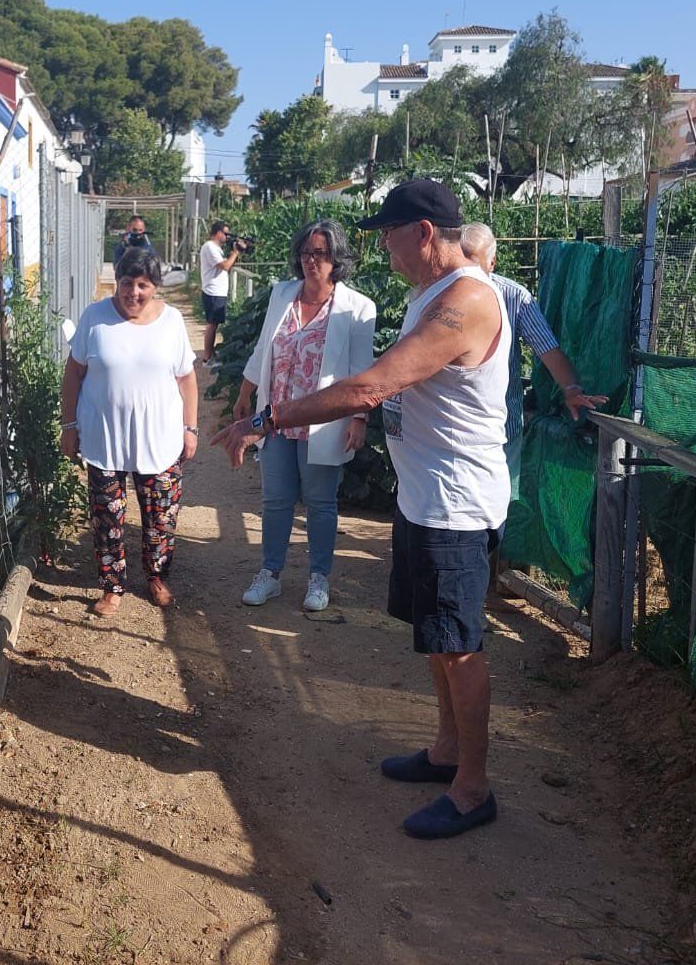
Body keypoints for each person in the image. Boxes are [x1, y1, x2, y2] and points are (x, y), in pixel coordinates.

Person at [212, 178, 508, 840]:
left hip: (456, 504)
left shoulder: (467, 302)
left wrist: (268, 418)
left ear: (423, 232)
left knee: (460, 646)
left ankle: (472, 789)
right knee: (437, 639)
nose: (383, 247)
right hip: (423, 496)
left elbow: (374, 384)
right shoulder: (431, 294)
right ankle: (445, 751)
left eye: (388, 234)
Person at [231, 219, 376, 612]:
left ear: (336, 259)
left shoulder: (357, 308)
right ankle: (270, 574)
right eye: (307, 252)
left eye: (322, 253)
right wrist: (245, 394)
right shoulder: (283, 294)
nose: (312, 260)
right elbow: (264, 348)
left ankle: (318, 578)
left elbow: (362, 369)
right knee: (275, 500)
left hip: (323, 422)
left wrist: (359, 420)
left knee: (320, 502)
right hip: (274, 419)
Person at [61, 247, 198, 617]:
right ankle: (112, 587)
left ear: (155, 286)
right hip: (104, 437)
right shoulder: (95, 318)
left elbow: (187, 378)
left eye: (143, 285)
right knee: (107, 517)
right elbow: (73, 374)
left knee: (161, 516)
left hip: (161, 438)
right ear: (116, 283)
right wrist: (69, 426)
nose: (133, 293)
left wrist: (190, 428)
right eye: (126, 283)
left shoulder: (171, 321)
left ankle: (156, 577)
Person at [459, 223, 607, 499]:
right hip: (453, 424)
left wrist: (572, 389)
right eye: (462, 264)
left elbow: (547, 349)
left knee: (495, 503)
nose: (467, 276)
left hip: (500, 425)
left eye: (474, 266)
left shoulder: (514, 297)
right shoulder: (438, 295)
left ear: (492, 262)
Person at [198, 221, 244, 363]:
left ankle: (211, 353)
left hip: (217, 291)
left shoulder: (216, 249)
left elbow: (227, 264)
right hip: (213, 291)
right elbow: (225, 266)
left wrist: (236, 252)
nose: (227, 237)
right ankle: (207, 358)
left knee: (215, 323)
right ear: (218, 233)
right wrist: (235, 252)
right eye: (226, 233)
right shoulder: (210, 247)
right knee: (212, 324)